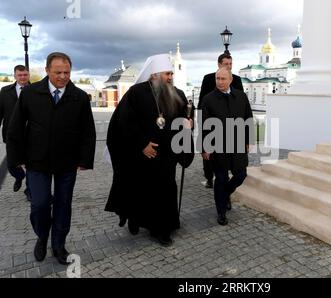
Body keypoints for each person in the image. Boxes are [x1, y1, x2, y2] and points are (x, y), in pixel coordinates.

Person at [6, 52, 96, 265]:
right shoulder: (30, 93)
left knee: (64, 205)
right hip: (36, 161)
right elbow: (15, 127)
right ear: (47, 71)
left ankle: (58, 244)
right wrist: (16, 158)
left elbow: (88, 131)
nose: (63, 76)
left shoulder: (80, 97)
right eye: (58, 72)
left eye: (67, 72)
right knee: (40, 204)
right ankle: (42, 235)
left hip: (67, 162)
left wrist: (84, 159)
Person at [105, 53, 194, 247]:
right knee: (140, 190)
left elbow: (184, 118)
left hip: (168, 155)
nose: (171, 77)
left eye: (171, 73)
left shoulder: (177, 94)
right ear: (154, 75)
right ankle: (134, 218)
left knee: (165, 190)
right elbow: (124, 122)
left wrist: (188, 125)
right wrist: (141, 145)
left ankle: (162, 229)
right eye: (167, 73)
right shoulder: (137, 93)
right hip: (143, 155)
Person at [200, 68, 253, 226]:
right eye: (218, 78)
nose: (220, 82)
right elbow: (204, 125)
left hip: (237, 144)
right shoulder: (208, 99)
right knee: (221, 179)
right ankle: (221, 212)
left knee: (241, 175)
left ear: (230, 80)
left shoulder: (241, 97)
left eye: (223, 79)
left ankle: (225, 195)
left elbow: (248, 118)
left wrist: (248, 140)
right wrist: (204, 147)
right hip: (218, 146)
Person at [198, 53, 243, 189]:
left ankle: (224, 189)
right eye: (226, 64)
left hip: (230, 125)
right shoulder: (208, 79)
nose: (229, 67)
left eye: (230, 64)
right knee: (208, 152)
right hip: (210, 122)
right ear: (219, 65)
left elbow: (240, 104)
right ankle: (209, 177)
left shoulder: (237, 79)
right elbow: (201, 101)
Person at [0, 65, 31, 200]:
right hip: (11, 134)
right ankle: (19, 176)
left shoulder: (36, 90)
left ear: (28, 75)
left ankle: (30, 190)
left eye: (25, 75)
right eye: (20, 75)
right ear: (15, 76)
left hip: (31, 134)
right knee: (12, 164)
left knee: (32, 165)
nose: (23, 78)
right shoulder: (5, 91)